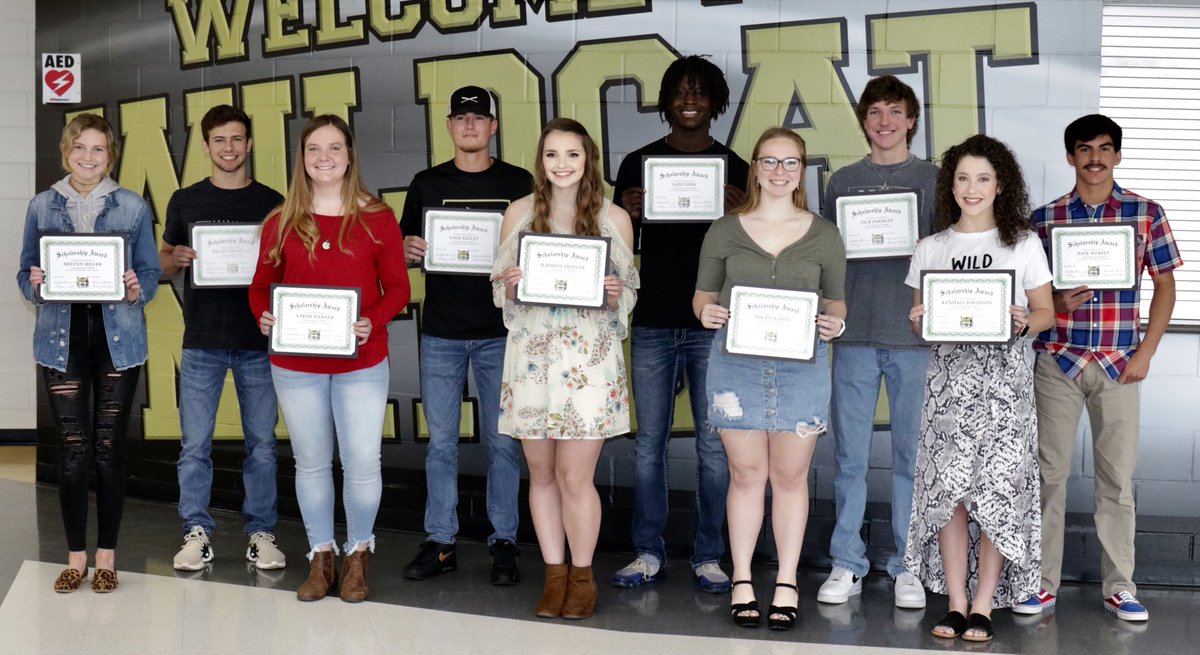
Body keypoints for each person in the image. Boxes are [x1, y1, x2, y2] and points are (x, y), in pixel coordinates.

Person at [1015, 114, 1181, 622]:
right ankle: (1040, 584)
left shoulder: (1145, 213)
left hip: (1119, 364)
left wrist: (1147, 352)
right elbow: (1029, 294)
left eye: (1104, 149)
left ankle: (1120, 587)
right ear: (1070, 156)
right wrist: (1056, 302)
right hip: (1057, 359)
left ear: (1117, 155)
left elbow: (1166, 286)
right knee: (1048, 476)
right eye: (1084, 149)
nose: (1094, 158)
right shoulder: (1043, 220)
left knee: (1116, 479)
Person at [249, 114, 411, 603]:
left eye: (334, 148)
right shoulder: (281, 220)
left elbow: (399, 288)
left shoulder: (378, 217)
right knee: (312, 463)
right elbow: (261, 288)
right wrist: (264, 315)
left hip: (361, 360)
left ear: (350, 155)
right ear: (301, 159)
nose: (324, 157)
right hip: (296, 364)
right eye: (314, 149)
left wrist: (372, 320)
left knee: (362, 461)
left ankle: (358, 556)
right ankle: (321, 558)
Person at [693, 127, 847, 630]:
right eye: (769, 162)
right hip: (734, 367)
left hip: (802, 370)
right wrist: (707, 313)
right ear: (755, 167)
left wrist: (835, 323)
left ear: (802, 171)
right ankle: (741, 578)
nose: (779, 172)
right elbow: (702, 295)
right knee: (745, 475)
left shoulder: (824, 233)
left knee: (789, 478)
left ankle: (785, 580)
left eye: (790, 163)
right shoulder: (725, 228)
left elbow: (837, 301)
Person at [903, 134, 1054, 643]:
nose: (972, 188)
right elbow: (921, 327)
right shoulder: (932, 247)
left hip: (1005, 387)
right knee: (952, 496)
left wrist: (1022, 322)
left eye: (983, 178)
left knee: (994, 493)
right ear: (952, 184)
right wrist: (920, 321)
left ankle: (985, 605)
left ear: (1000, 184)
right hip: (949, 387)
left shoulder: (1023, 243)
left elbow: (1045, 313)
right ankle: (956, 603)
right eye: (963, 178)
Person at [610, 54, 750, 593]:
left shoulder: (736, 169)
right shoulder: (637, 164)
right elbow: (620, 248)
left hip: (714, 324)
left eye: (700, 91)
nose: (690, 100)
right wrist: (629, 215)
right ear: (666, 101)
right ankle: (648, 552)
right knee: (650, 444)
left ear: (715, 101)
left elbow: (755, 250)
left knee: (715, 448)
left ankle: (710, 556)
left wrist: (742, 214)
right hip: (652, 321)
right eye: (680, 91)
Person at [491, 118, 638, 620]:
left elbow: (627, 291)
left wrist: (616, 293)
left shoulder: (613, 219)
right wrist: (510, 284)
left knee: (576, 476)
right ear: (541, 162)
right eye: (551, 155)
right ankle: (553, 576)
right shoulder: (519, 214)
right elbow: (500, 291)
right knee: (541, 471)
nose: (561, 165)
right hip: (532, 359)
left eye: (571, 155)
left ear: (587, 160)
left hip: (588, 363)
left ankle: (582, 575)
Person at [17, 113, 161, 593]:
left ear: (110, 154)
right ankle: (75, 557)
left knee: (108, 450)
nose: (88, 158)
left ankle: (107, 557)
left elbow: (151, 273)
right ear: (66, 152)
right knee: (74, 453)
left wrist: (139, 286)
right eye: (80, 148)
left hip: (118, 341)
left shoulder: (133, 207)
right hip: (62, 342)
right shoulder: (41, 206)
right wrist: (35, 284)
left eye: (98, 149)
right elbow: (24, 273)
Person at [399, 86, 532, 585]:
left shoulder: (519, 183)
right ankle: (440, 542)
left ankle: (503, 543)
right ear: (450, 127)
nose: (470, 125)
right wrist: (409, 249)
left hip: (503, 332)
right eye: (461, 118)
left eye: (479, 117)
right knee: (442, 446)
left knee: (502, 445)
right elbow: (405, 244)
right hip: (442, 333)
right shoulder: (426, 183)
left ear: (493, 126)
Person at [819, 75, 938, 609]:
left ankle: (908, 564)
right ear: (864, 121)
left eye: (896, 112)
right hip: (854, 338)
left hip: (915, 339)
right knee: (849, 457)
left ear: (912, 119)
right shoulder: (842, 183)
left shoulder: (936, 181)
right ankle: (847, 562)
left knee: (913, 458)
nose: (885, 122)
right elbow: (825, 260)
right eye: (875, 113)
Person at [161, 105, 287, 572]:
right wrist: (178, 256)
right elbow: (163, 263)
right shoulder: (185, 199)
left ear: (249, 144)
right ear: (206, 146)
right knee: (195, 445)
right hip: (203, 340)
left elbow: (289, 266)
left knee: (263, 444)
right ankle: (196, 532)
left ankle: (261, 533)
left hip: (258, 339)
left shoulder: (273, 201)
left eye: (237, 139)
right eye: (220, 140)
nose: (229, 148)